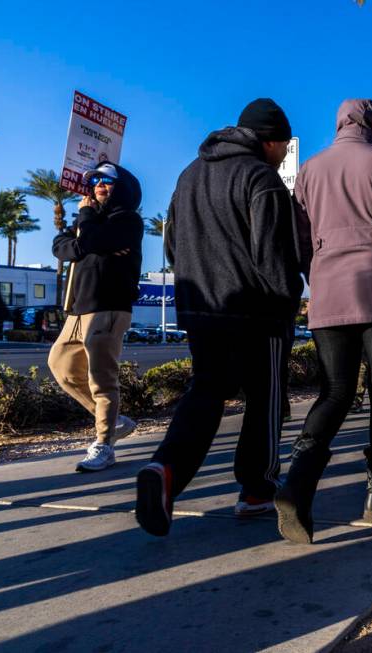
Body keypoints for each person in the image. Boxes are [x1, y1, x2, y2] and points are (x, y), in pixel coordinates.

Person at [135, 99, 303, 536]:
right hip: (256, 311)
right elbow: (274, 256)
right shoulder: (261, 178)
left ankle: (166, 469)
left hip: (199, 308)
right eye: (283, 145)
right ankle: (256, 490)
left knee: (206, 392)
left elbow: (171, 246)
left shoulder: (188, 175)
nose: (285, 153)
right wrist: (289, 301)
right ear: (269, 140)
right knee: (264, 398)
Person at [275, 98, 372, 544]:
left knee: (335, 390)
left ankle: (298, 483)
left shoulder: (310, 171)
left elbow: (300, 241)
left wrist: (319, 274)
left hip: (330, 290)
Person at [49, 162, 143, 472]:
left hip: (109, 306)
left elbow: (89, 242)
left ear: (123, 187)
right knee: (61, 366)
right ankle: (113, 422)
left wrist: (86, 237)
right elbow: (60, 246)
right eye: (96, 181)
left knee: (101, 377)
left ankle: (104, 444)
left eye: (107, 181)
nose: (99, 185)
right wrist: (84, 242)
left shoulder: (128, 220)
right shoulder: (89, 221)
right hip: (78, 309)